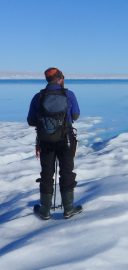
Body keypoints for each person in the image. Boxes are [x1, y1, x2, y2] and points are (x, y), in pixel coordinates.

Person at [27, 67, 82, 220]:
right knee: (66, 171)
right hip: (66, 140)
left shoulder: (38, 97)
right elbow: (76, 115)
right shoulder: (69, 95)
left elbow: (31, 121)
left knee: (46, 173)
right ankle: (69, 208)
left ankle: (45, 210)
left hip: (45, 141)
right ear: (60, 78)